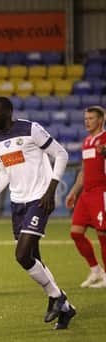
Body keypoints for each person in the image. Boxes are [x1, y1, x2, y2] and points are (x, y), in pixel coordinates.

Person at [0, 97, 76, 330]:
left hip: (39, 198)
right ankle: (66, 307)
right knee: (34, 258)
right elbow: (4, 173)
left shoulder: (30, 129)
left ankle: (55, 297)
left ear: (8, 112)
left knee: (22, 255)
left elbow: (61, 154)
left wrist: (51, 190)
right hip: (17, 203)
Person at [65, 105, 106, 288]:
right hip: (86, 194)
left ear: (101, 120)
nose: (87, 122)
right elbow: (84, 170)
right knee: (76, 233)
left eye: (91, 118)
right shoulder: (87, 141)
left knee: (103, 235)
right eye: (85, 118)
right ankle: (96, 271)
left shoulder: (104, 140)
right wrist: (73, 191)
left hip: (101, 192)